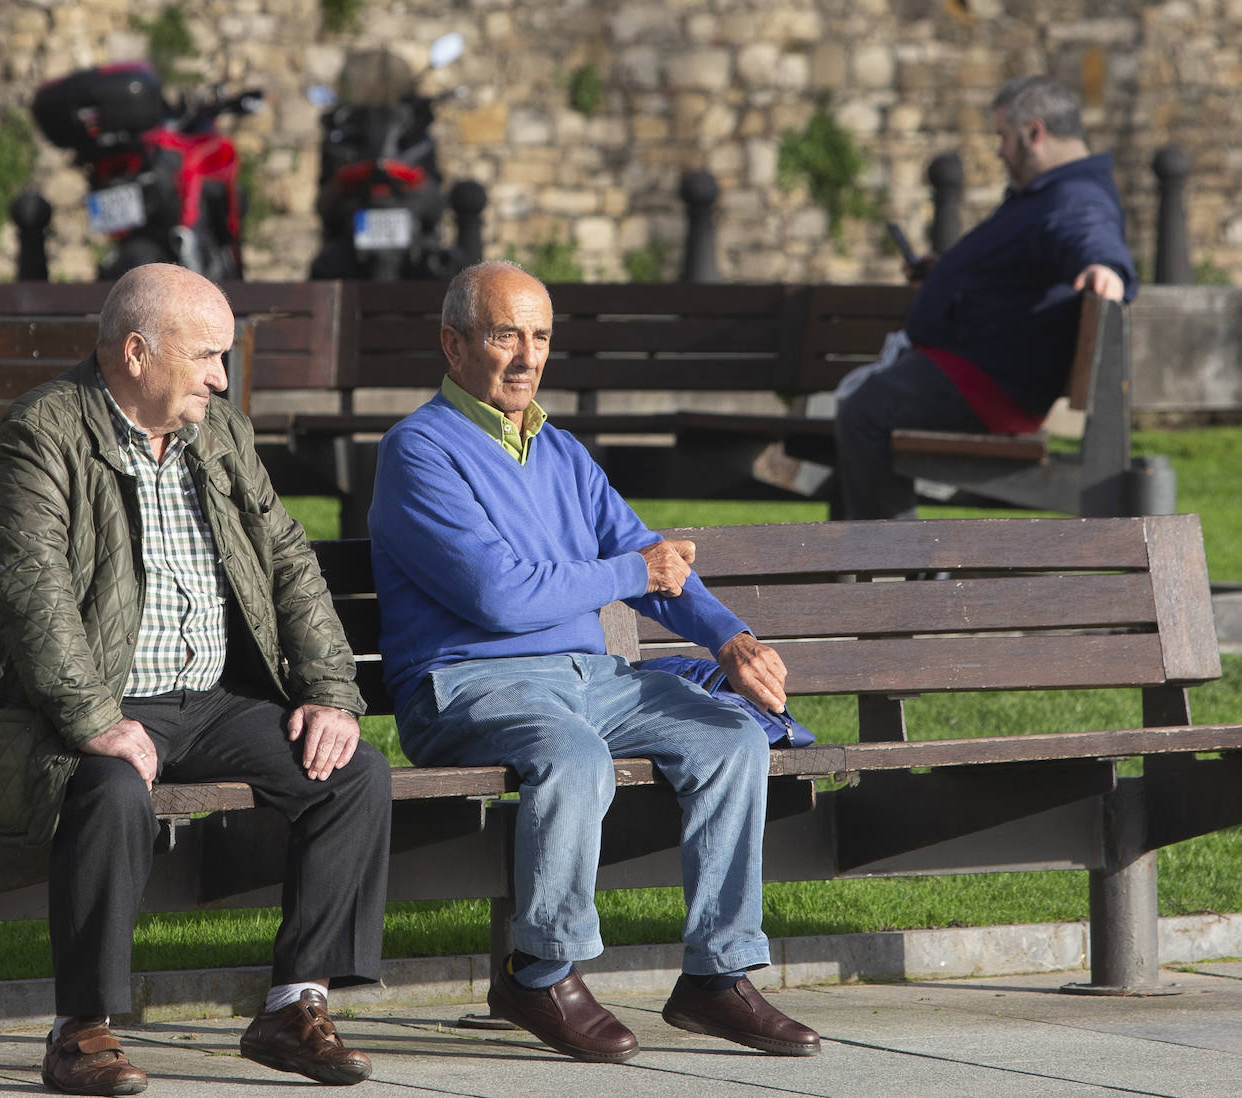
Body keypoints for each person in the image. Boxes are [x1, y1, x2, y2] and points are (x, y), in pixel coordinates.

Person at [0, 264, 390, 1094]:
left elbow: (288, 558)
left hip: (210, 702)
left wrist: (330, 689)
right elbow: (29, 586)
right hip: (84, 704)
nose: (222, 378)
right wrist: (93, 718)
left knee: (352, 774)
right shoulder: (43, 431)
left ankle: (296, 1005)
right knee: (112, 790)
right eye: (209, 357)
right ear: (139, 353)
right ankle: (83, 1029)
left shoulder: (218, 432)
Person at [368, 259, 821, 1063]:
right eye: (506, 334)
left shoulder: (561, 451)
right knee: (573, 756)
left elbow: (653, 560)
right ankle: (540, 971)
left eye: (540, 337)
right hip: (466, 685)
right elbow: (497, 597)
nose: (526, 356)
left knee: (730, 736)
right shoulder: (418, 451)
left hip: (589, 681)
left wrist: (730, 637)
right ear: (453, 344)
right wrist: (628, 575)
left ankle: (718, 974)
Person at [833, 74, 1139, 519]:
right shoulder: (1046, 196)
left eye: (1003, 137)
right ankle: (855, 567)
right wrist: (946, 275)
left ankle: (893, 571)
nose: (998, 151)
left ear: (1035, 133)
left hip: (989, 388)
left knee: (867, 411)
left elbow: (1090, 235)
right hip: (976, 374)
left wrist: (1107, 268)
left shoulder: (1073, 198)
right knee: (862, 407)